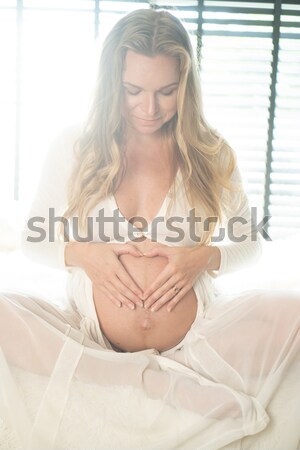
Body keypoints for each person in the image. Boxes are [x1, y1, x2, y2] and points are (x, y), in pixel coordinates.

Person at [0, 8, 299, 450]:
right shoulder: (75, 145)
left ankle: (144, 379)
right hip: (90, 336)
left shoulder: (212, 153)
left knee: (294, 313)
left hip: (197, 337)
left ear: (186, 86)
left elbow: (250, 244)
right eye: (133, 90)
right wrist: (84, 254)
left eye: (166, 91)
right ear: (110, 84)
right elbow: (31, 240)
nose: (149, 108)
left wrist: (204, 257)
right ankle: (151, 383)